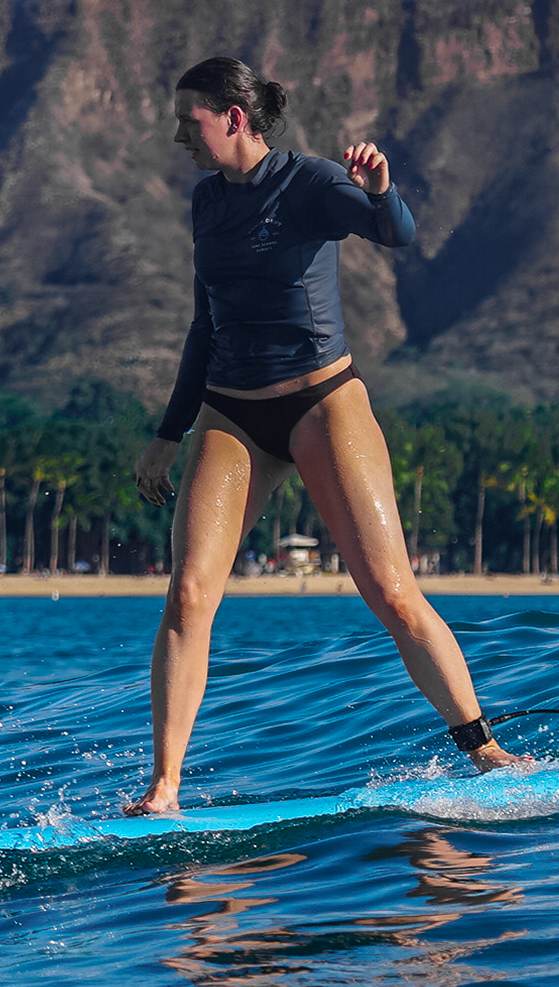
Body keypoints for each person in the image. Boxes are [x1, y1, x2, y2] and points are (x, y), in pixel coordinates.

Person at [129, 56, 519, 815]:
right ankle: (164, 788)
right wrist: (169, 434)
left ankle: (485, 748)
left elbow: (393, 232)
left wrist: (379, 186)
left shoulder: (308, 182)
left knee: (392, 593)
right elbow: (204, 326)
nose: (180, 134)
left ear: (233, 119)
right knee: (188, 594)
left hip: (321, 402)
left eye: (190, 120)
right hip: (230, 413)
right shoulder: (207, 204)